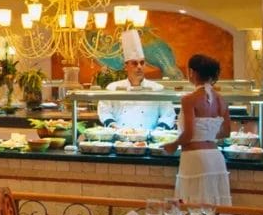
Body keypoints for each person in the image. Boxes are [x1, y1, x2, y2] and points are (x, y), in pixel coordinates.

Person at [165, 54, 232, 205]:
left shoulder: (189, 99)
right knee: (214, 206)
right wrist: (207, 134)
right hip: (216, 158)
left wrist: (173, 145)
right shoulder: (222, 100)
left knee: (192, 205)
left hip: (195, 158)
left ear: (192, 72)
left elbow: (189, 134)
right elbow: (226, 132)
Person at [97, 30, 176, 130]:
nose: (139, 67)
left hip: (148, 136)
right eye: (134, 63)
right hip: (120, 136)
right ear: (126, 66)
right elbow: (104, 110)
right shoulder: (113, 88)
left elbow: (168, 114)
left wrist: (158, 131)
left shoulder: (157, 89)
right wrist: (113, 126)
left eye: (142, 63)